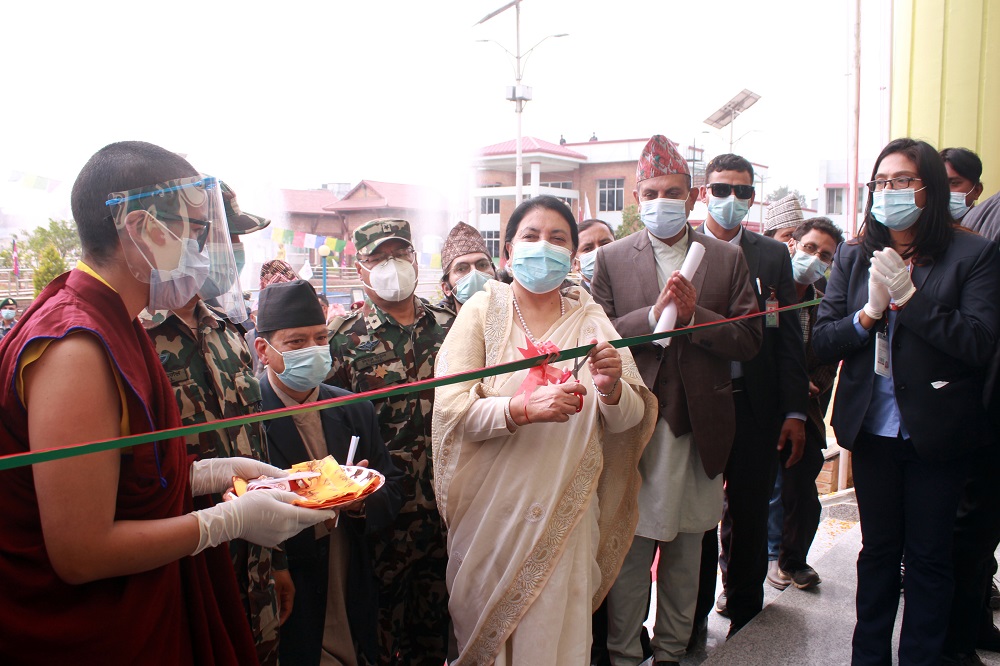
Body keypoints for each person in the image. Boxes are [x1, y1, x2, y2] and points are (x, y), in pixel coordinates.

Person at [0, 141, 334, 662]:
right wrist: (228, 522)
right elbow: (79, 552)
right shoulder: (76, 346)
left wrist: (214, 473)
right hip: (94, 628)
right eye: (197, 231)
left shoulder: (118, 323)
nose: (207, 250)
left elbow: (125, 470)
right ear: (142, 229)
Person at [432, 194, 657, 664]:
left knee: (558, 644)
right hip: (491, 523)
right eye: (530, 237)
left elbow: (631, 418)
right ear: (507, 253)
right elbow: (451, 413)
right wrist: (519, 409)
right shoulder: (481, 313)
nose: (543, 247)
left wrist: (613, 387)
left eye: (557, 239)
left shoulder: (591, 318)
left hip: (566, 520)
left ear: (573, 256)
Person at [813, 137, 1000, 665]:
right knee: (877, 554)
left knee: (928, 558)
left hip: (936, 431)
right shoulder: (854, 253)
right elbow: (824, 340)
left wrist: (913, 301)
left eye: (903, 181)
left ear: (930, 190)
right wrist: (866, 316)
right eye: (882, 182)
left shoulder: (975, 254)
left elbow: (979, 342)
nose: (889, 191)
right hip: (873, 428)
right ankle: (867, 657)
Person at [591, 135, 762, 665]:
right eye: (651, 192)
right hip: (635, 426)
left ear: (691, 198)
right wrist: (651, 317)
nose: (661, 201)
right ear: (637, 197)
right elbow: (595, 333)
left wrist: (697, 318)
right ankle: (623, 653)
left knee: (688, 551)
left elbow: (749, 337)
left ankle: (670, 652)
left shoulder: (725, 257)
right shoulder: (612, 259)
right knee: (630, 550)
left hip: (700, 426)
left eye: (672, 191)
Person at [142, 180, 288, 665]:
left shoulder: (228, 332)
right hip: (185, 567)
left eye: (237, 241)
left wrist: (277, 559)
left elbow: (256, 447)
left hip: (254, 567)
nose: (235, 252)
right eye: (223, 239)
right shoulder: (130, 338)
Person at [253, 279, 405, 666]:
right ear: (264, 351)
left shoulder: (354, 409)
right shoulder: (249, 418)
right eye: (296, 342)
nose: (313, 350)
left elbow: (393, 486)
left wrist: (361, 501)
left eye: (320, 338)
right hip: (290, 581)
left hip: (348, 571)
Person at [327, 218, 454, 664]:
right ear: (360, 269)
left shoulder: (450, 325)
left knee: (435, 635)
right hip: (382, 515)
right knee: (377, 635)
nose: (391, 265)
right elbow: (333, 426)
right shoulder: (342, 340)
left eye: (400, 254)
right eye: (379, 257)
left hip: (446, 508)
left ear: (416, 260)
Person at [692, 153, 809, 637]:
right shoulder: (685, 249)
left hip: (755, 403)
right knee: (694, 516)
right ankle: (689, 620)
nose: (731, 200)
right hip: (697, 405)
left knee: (750, 511)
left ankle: (745, 612)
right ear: (704, 194)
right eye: (721, 190)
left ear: (753, 196)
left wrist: (795, 410)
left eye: (741, 191)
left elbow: (787, 340)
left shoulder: (772, 255)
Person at [766, 217, 843, 592]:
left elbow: (831, 348)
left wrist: (815, 383)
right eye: (810, 248)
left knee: (801, 487)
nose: (815, 259)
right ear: (793, 243)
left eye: (825, 255)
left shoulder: (825, 297)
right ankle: (759, 560)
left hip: (805, 406)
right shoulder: (767, 290)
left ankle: (792, 559)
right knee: (759, 487)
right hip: (763, 402)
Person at [438, 221, 496, 315]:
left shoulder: (516, 319)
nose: (475, 273)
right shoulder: (436, 327)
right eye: (461, 269)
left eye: (482, 265)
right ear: (446, 288)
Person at [940, 147, 985, 221]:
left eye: (954, 183)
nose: (944, 191)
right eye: (939, 183)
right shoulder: (923, 229)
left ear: (977, 191)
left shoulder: (989, 228)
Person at [574, 218, 616, 291]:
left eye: (605, 244)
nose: (599, 252)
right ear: (575, 263)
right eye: (587, 249)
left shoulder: (636, 289)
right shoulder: (573, 301)